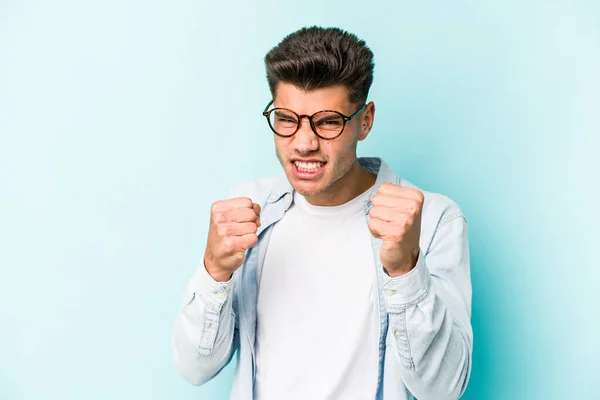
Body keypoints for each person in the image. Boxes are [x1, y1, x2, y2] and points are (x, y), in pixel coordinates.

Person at [172, 26, 473, 400]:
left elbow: (444, 389)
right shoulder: (247, 210)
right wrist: (214, 271)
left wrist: (406, 269)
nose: (304, 143)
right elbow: (195, 368)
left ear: (365, 121)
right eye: (286, 119)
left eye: (328, 121)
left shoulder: (433, 221)